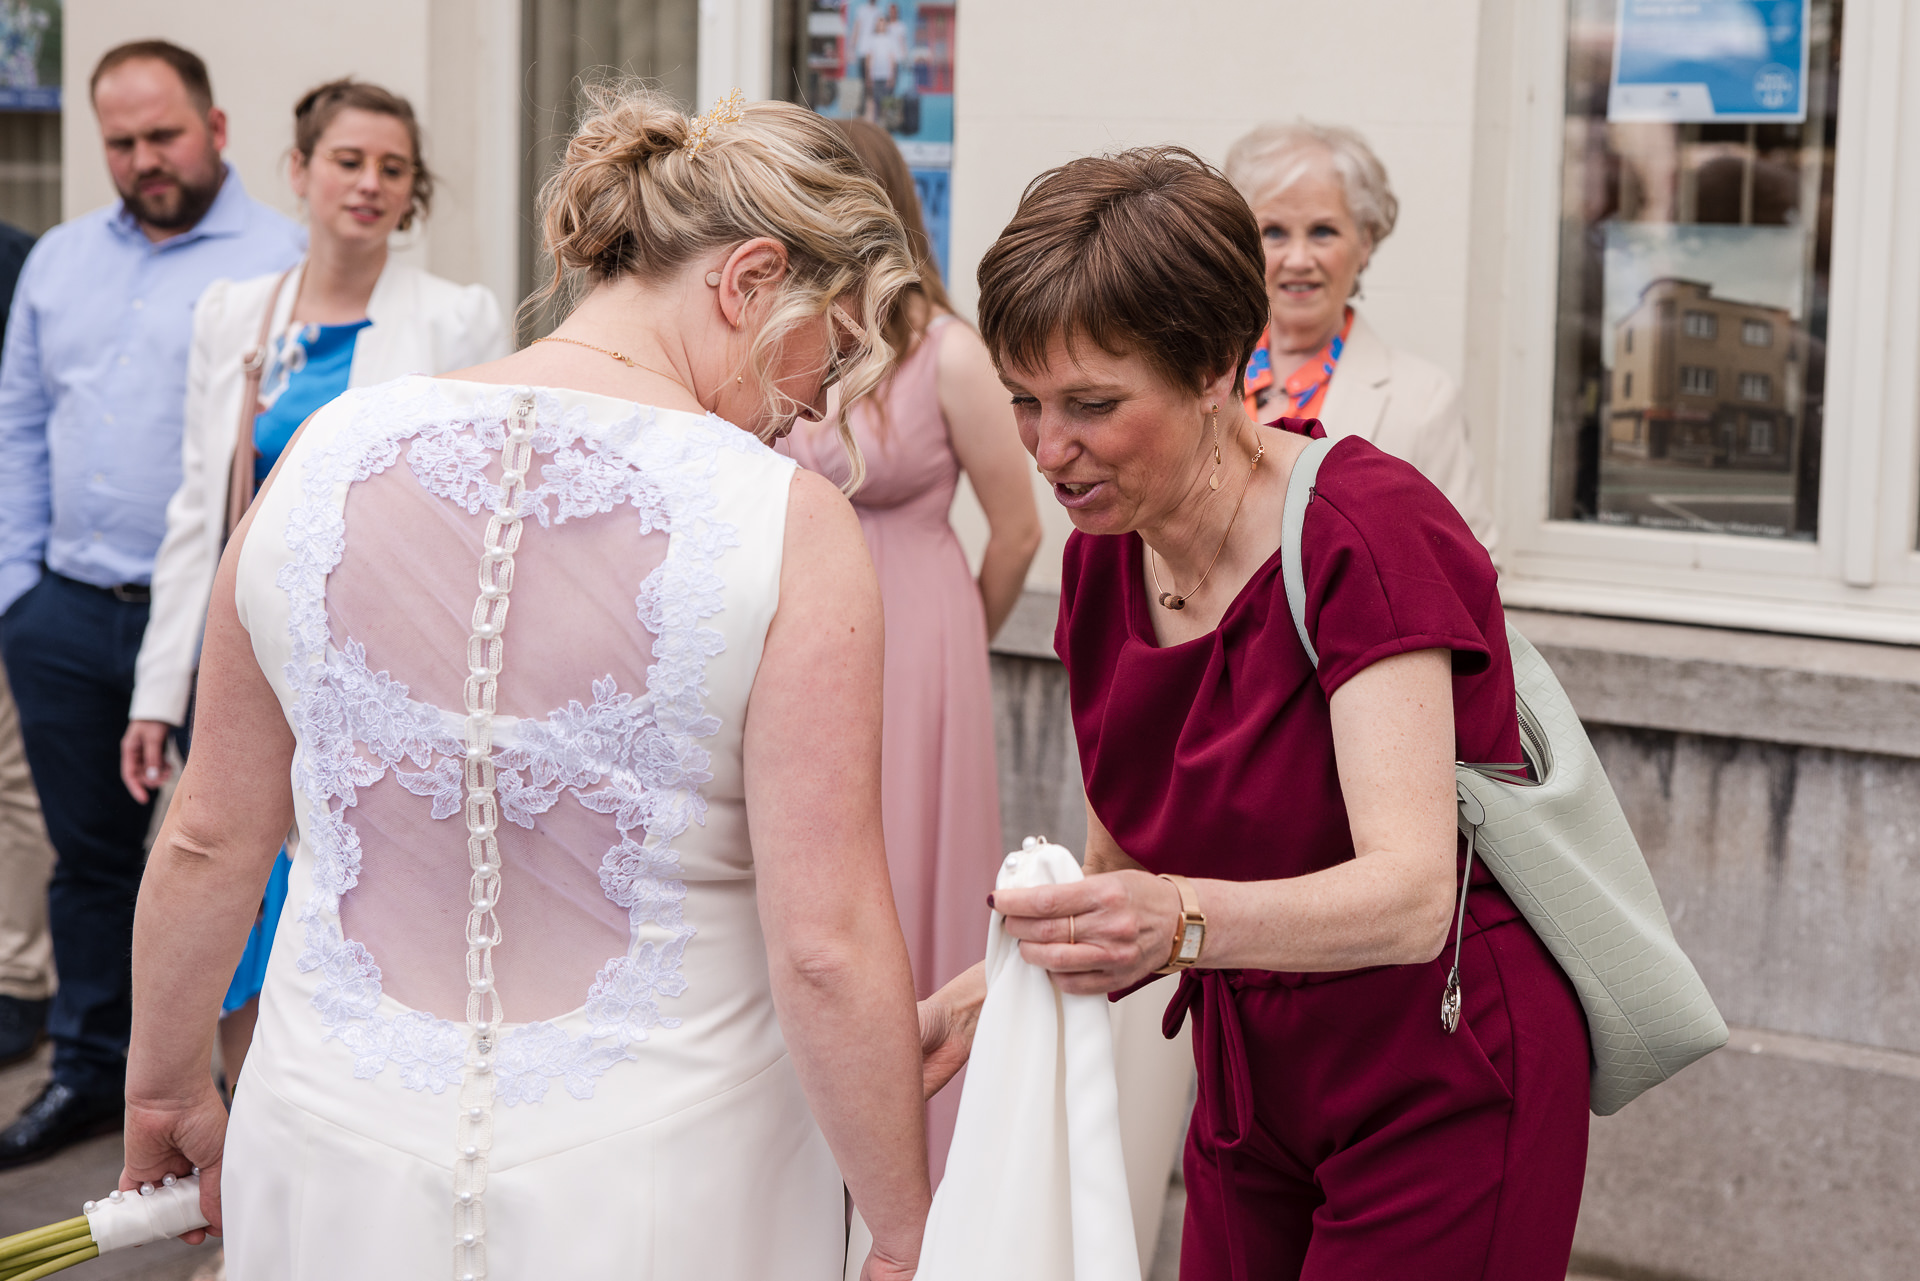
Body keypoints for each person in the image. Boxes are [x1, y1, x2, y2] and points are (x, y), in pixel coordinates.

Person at [119, 87, 930, 1280]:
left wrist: (166, 1080)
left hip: (333, 1146)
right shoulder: (784, 522)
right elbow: (826, 943)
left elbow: (207, 835)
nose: (821, 402)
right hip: (663, 1177)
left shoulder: (330, 451)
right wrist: (907, 1225)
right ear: (750, 279)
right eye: (838, 346)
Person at [918, 147, 1589, 1279]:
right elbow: (1121, 878)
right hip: (1248, 1079)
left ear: (1221, 368)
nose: (1045, 450)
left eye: (1092, 405)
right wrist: (975, 1001)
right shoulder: (1101, 564)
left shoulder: (1363, 531)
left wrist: (1174, 924)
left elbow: (1413, 896)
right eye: (1023, 402)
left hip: (1442, 1068)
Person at [118, 78, 510, 1094]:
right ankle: (238, 1193)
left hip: (382, 680)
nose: (370, 185)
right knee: (236, 920)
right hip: (253, 670)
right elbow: (199, 517)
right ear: (298, 170)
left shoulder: (454, 319)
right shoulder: (234, 315)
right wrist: (161, 697)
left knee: (349, 923)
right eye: (349, 161)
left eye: (393, 169)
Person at [0, 41, 304, 1169]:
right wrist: (18, 594)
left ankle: (239, 1103)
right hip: (68, 612)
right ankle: (89, 1071)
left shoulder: (289, 260)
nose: (144, 161)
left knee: (232, 854)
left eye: (164, 137)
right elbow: (20, 426)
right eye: (120, 143)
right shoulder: (62, 261)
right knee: (87, 861)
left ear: (216, 129)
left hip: (223, 623)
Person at [783, 117, 1039, 1182]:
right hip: (797, 628)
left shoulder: (949, 349)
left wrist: (953, 651)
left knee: (907, 874)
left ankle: (914, 1163)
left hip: (919, 633)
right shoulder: (783, 335)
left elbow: (1018, 525)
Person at [1223, 120, 1498, 557]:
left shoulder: (1424, 402)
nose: (1298, 259)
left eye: (1322, 232)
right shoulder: (1200, 377)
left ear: (1365, 242)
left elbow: (1473, 571)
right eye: (1274, 232)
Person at [0, 216, 58, 1073]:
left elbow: (25, 418)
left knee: (13, 779)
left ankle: (19, 980)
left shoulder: (18, 258)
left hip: (13, 563)